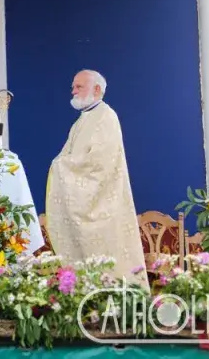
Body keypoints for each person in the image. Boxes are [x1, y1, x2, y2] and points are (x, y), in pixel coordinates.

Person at [46, 70, 147, 287]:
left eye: (79, 86)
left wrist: (61, 166)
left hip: (104, 208)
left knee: (109, 266)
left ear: (97, 89)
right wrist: (61, 164)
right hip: (85, 203)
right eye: (73, 87)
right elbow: (67, 157)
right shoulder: (81, 122)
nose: (73, 91)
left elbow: (100, 164)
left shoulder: (106, 117)